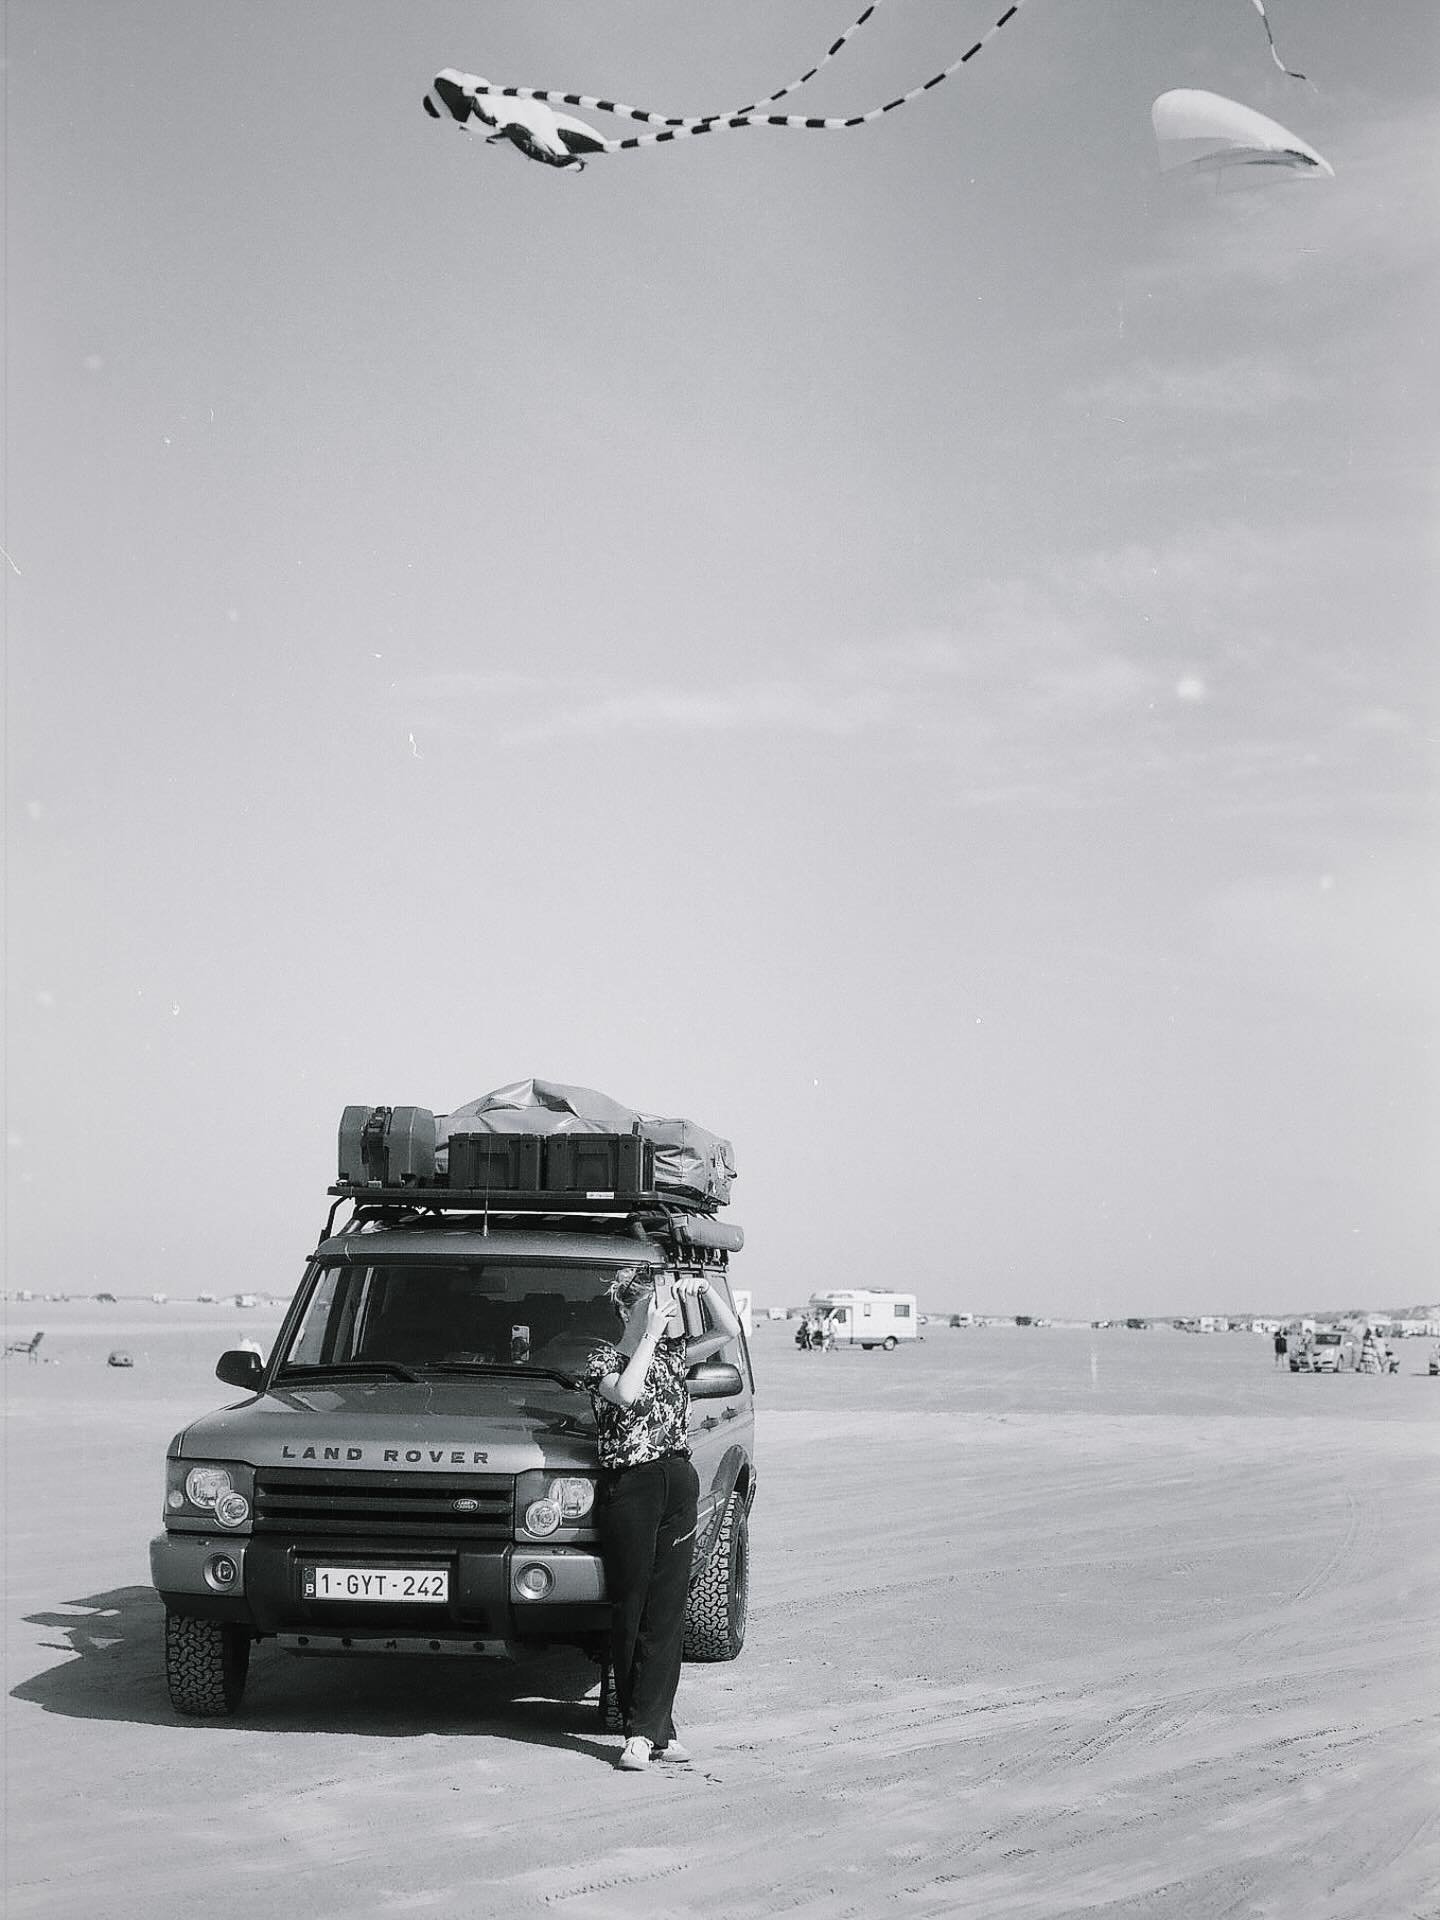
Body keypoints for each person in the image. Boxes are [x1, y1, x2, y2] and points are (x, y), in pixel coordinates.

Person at [580, 1265, 742, 1772]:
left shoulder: (673, 1354)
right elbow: (626, 1394)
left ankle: (657, 1729)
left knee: (667, 1611)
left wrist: (705, 1291)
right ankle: (639, 1731)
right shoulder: (602, 1360)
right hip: (631, 1484)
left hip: (677, 1479)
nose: (665, 1311)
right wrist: (648, 1334)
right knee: (631, 1606)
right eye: (655, 1304)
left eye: (666, 1304)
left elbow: (728, 1332)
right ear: (627, 1309)